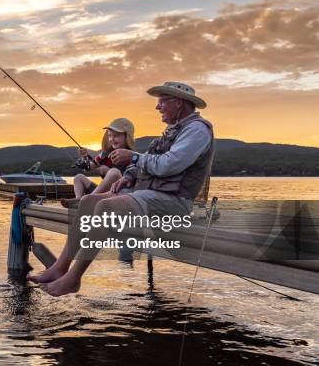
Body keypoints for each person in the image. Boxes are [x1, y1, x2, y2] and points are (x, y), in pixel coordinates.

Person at [28, 81, 214, 296]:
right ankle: (60, 267)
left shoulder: (197, 131)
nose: (158, 107)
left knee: (106, 208)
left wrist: (134, 157)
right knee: (88, 202)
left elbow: (169, 164)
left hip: (176, 203)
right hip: (152, 195)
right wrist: (128, 176)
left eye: (162, 102)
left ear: (179, 103)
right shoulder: (173, 131)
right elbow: (148, 163)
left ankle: (73, 279)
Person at [63, 118, 135, 207]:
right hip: (100, 193)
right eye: (109, 136)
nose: (112, 139)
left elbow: (131, 181)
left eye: (116, 136)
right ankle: (79, 199)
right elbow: (88, 167)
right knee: (78, 177)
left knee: (114, 172)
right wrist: (85, 156)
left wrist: (108, 171)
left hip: (118, 193)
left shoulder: (132, 156)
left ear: (127, 137)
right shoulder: (105, 153)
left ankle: (85, 201)